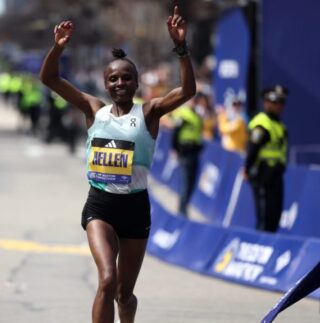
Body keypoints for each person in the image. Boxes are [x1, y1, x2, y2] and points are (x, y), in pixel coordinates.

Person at [39, 6, 195, 323]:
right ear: (106, 84)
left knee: (124, 293)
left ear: (136, 83)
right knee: (107, 281)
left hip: (136, 208)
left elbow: (188, 90)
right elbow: (50, 78)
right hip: (101, 204)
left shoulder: (149, 112)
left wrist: (180, 48)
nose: (120, 82)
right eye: (113, 78)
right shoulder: (93, 110)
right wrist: (58, 47)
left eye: (126, 77)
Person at [243, 85, 289, 232]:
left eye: (281, 103)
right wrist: (247, 168)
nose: (279, 106)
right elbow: (253, 149)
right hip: (262, 174)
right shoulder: (262, 123)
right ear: (266, 102)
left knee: (274, 216)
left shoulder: (279, 125)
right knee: (264, 217)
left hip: (276, 175)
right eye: (275, 102)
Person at [171, 103, 203, 215]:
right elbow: (175, 132)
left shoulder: (197, 115)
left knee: (192, 182)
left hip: (195, 152)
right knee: (186, 180)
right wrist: (174, 149)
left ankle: (185, 206)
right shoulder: (183, 114)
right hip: (184, 151)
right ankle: (182, 209)